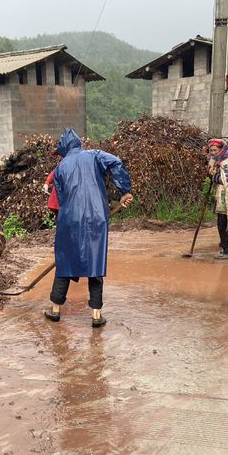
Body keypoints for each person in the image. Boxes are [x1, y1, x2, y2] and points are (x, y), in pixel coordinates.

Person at [44, 128, 133, 327]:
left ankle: (55, 309)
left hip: (69, 219)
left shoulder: (60, 167)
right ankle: (96, 314)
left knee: (64, 261)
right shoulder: (95, 155)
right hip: (96, 217)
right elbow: (116, 162)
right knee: (95, 262)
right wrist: (124, 191)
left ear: (64, 148)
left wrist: (67, 218)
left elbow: (61, 198)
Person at [209, 138, 228, 259]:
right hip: (225, 195)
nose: (213, 153)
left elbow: (226, 180)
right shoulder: (225, 159)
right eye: (211, 150)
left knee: (223, 223)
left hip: (226, 196)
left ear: (221, 149)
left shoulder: (226, 162)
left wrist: (214, 176)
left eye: (215, 150)